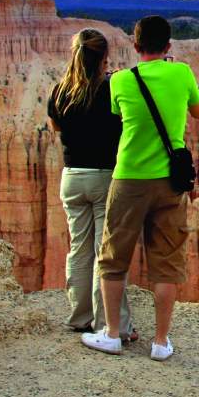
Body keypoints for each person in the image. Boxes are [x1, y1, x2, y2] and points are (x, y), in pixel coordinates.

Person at [81, 15, 199, 361]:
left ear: (135, 47)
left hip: (129, 178)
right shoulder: (182, 73)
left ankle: (111, 334)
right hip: (169, 181)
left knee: (113, 256)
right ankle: (161, 342)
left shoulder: (120, 80)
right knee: (166, 262)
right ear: (168, 46)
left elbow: (118, 116)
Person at [47, 29, 134, 340]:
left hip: (71, 177)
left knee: (78, 249)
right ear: (103, 58)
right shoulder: (111, 87)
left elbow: (56, 126)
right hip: (104, 177)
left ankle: (79, 316)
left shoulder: (59, 90)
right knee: (106, 252)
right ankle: (113, 325)